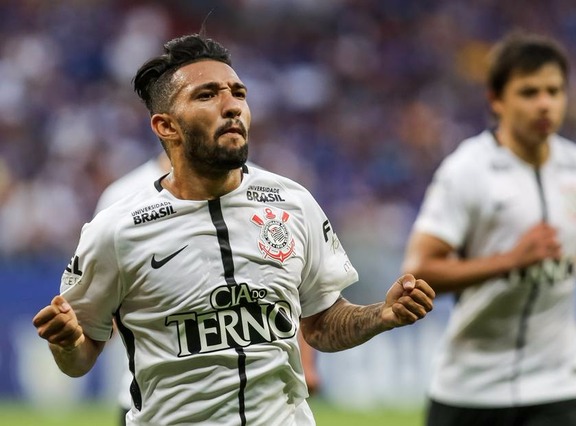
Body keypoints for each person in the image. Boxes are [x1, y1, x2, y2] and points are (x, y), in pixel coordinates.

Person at [33, 33, 435, 426]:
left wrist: (382, 314)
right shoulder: (117, 229)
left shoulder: (292, 203)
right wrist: (66, 342)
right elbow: (80, 357)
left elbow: (322, 324)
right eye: (206, 95)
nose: (232, 107)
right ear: (166, 126)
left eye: (238, 93)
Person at [402, 32, 576, 426]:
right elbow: (417, 272)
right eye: (529, 92)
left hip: (561, 386)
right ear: (496, 100)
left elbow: (573, 238)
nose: (544, 104)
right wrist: (510, 261)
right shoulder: (466, 169)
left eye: (554, 91)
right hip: (472, 386)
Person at [95, 152, 322, 424]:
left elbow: (294, 292)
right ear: (165, 122)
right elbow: (103, 300)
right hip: (154, 401)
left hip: (261, 404)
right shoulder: (122, 196)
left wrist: (306, 363)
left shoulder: (270, 192)